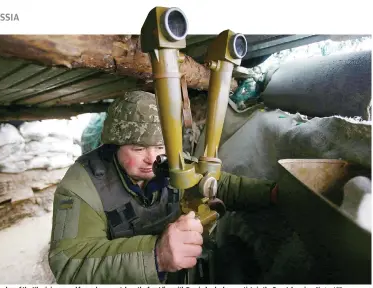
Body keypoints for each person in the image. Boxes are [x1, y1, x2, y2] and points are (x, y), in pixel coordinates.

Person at [48, 90, 278, 284]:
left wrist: (271, 194)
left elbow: (221, 185)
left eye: (160, 146)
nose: (152, 159)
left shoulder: (172, 163)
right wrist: (156, 255)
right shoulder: (82, 184)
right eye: (138, 149)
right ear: (114, 146)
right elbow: (69, 264)